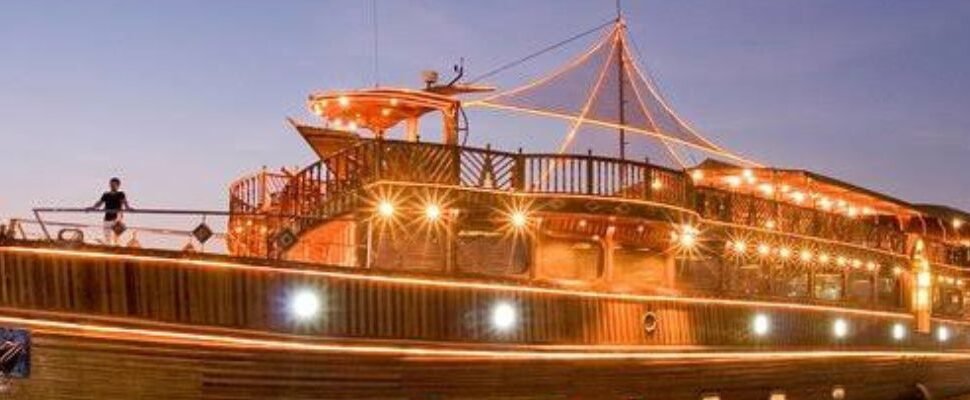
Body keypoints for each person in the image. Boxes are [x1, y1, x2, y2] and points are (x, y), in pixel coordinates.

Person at [89, 177, 132, 245]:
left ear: (118, 185)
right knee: (107, 236)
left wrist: (129, 208)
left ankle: (117, 248)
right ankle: (108, 247)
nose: (112, 186)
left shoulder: (121, 194)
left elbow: (125, 203)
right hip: (107, 217)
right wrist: (92, 208)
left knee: (116, 238)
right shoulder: (106, 194)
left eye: (114, 185)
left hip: (117, 218)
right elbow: (99, 203)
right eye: (111, 184)